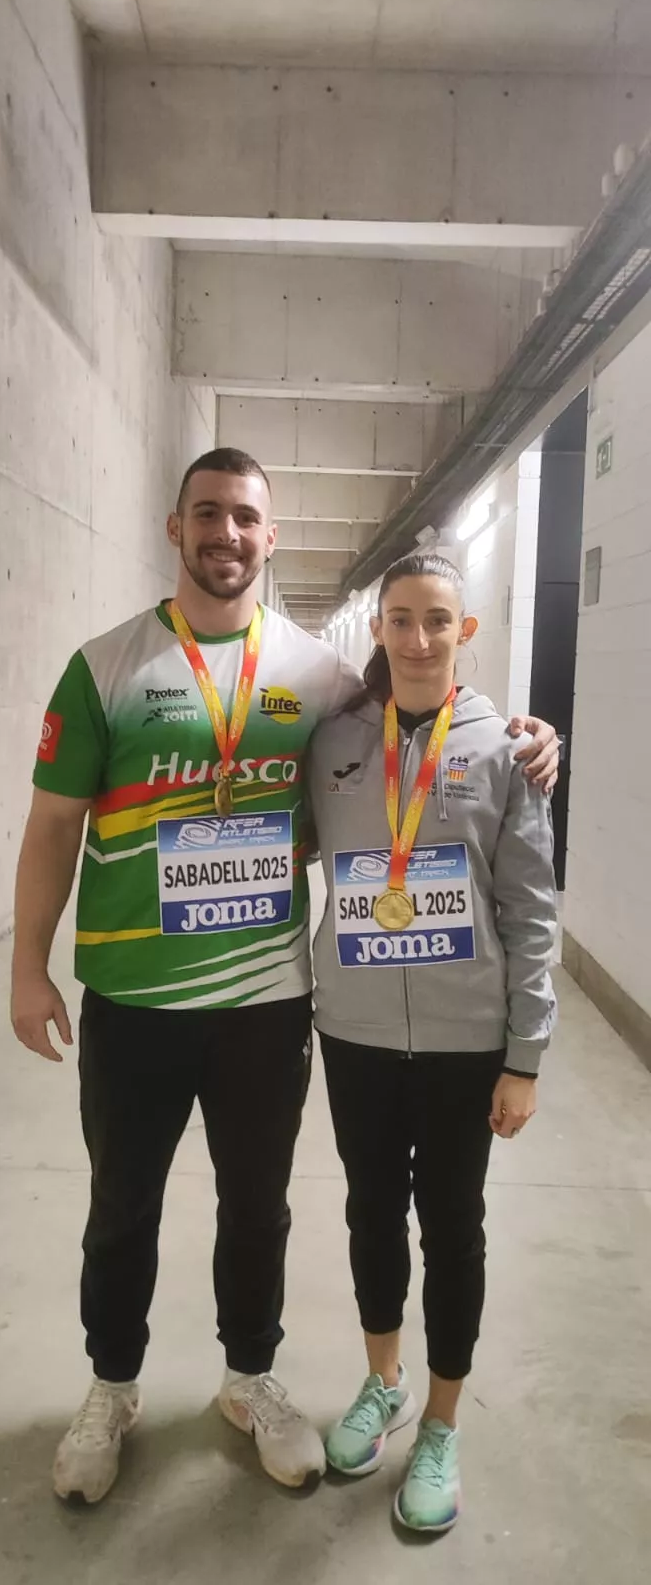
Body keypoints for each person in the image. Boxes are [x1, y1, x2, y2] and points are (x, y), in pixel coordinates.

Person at [10, 450, 558, 1506]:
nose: (227, 533)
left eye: (246, 517)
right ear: (176, 528)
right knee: (122, 1204)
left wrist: (534, 736)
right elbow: (51, 825)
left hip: (267, 1001)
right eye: (207, 514)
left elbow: (424, 721)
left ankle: (251, 1377)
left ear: (271, 537)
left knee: (257, 1206)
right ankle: (112, 1385)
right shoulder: (104, 666)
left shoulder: (318, 677)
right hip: (133, 1001)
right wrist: (28, 968)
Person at [307, 552, 557, 1534]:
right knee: (372, 1210)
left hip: (465, 1041)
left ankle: (443, 1424)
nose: (417, 639)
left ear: (468, 631)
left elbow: (533, 913)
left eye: (437, 621)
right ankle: (383, 1383)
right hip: (357, 1031)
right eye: (401, 619)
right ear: (377, 628)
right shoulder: (332, 741)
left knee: (452, 1227)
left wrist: (524, 1057)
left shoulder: (507, 750)